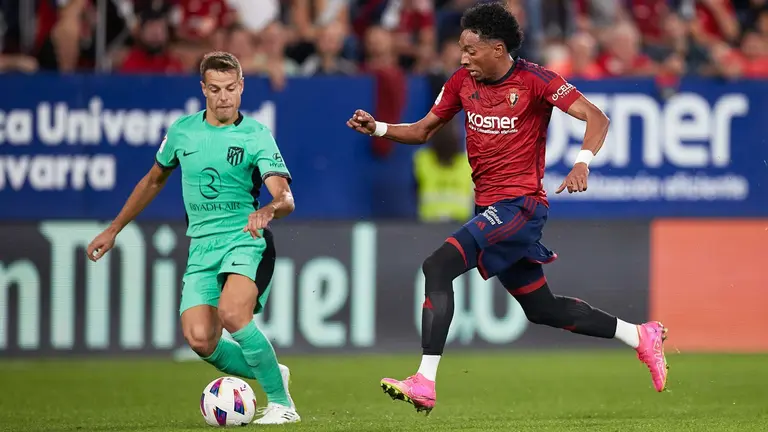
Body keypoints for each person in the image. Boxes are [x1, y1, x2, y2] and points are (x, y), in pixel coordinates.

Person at [346, 2, 668, 415]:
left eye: (470, 49)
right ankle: (640, 336)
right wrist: (379, 128)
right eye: (461, 49)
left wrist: (582, 162)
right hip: (491, 210)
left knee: (438, 266)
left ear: (498, 49)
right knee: (542, 308)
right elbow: (423, 130)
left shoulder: (537, 81)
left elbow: (597, 118)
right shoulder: (461, 82)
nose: (463, 58)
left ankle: (424, 380)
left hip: (521, 207)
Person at [86, 52, 301, 425]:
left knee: (232, 313)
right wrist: (114, 227)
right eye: (215, 89)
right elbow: (153, 180)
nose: (224, 97)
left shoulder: (256, 135)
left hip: (245, 239)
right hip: (202, 246)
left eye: (230, 88)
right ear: (203, 89)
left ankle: (283, 405)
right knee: (201, 339)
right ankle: (270, 370)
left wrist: (268, 210)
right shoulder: (182, 132)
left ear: (241, 87)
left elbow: (285, 197)